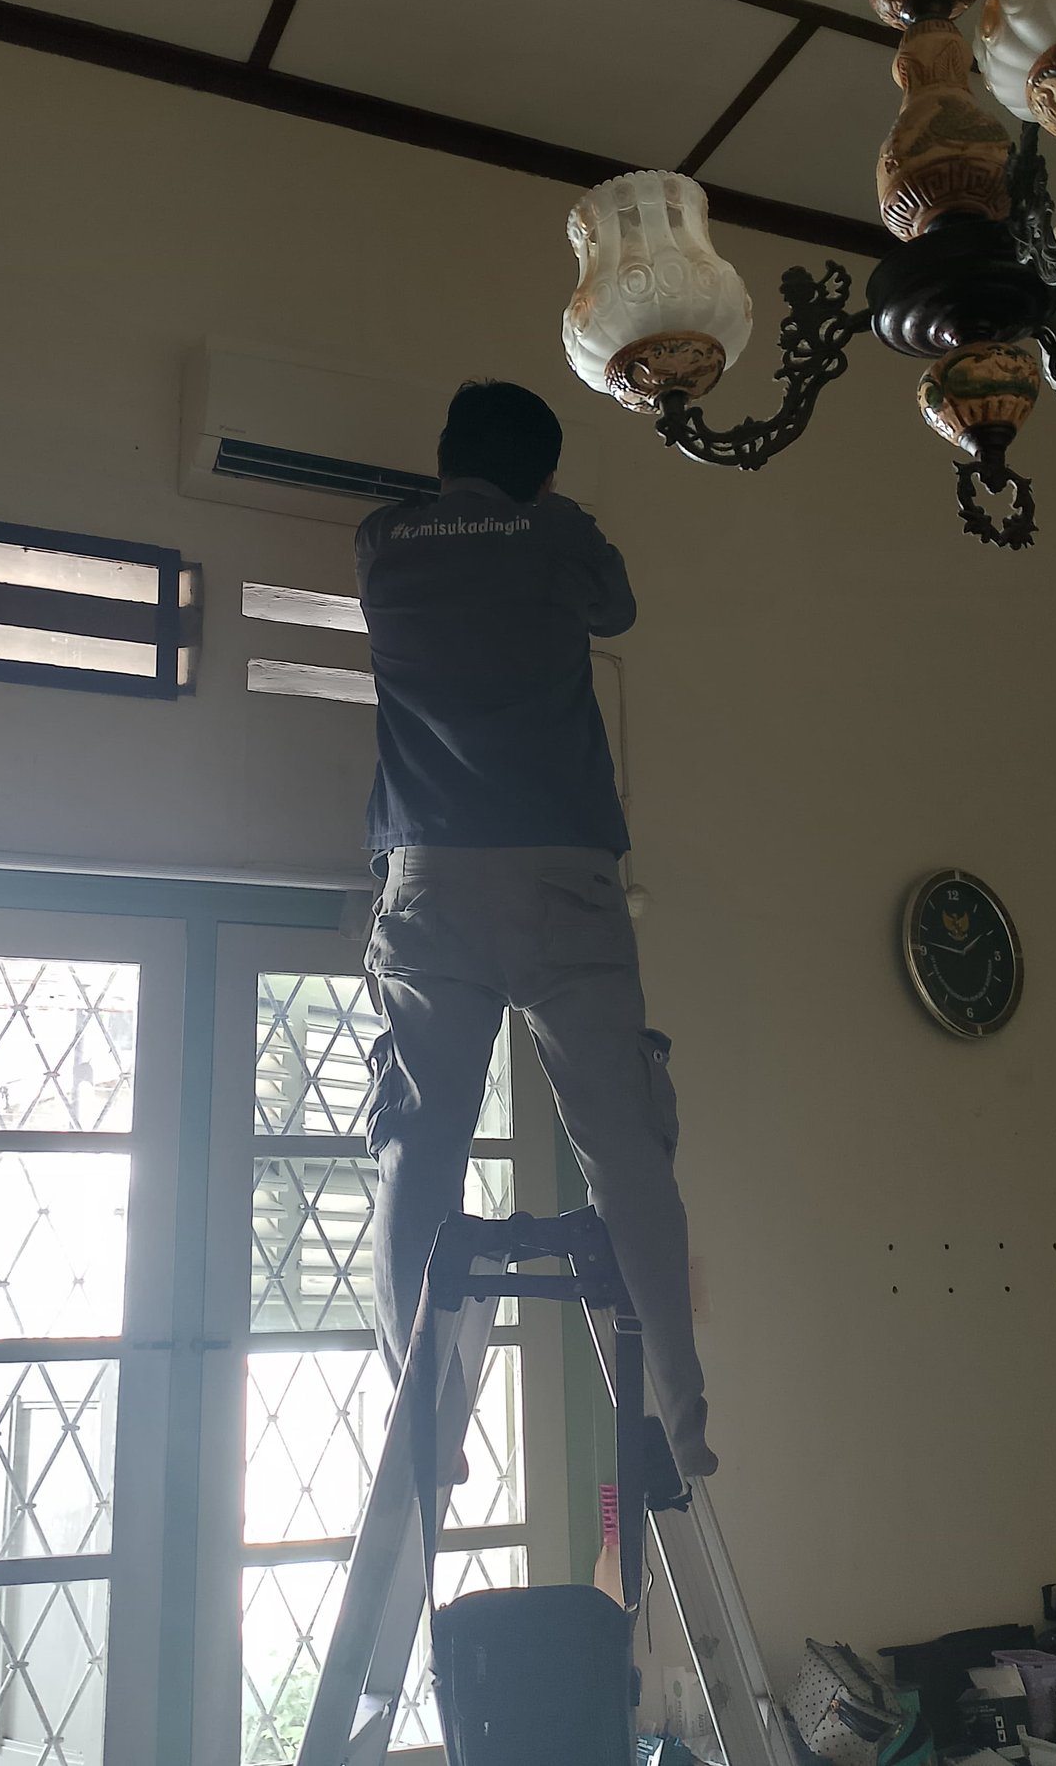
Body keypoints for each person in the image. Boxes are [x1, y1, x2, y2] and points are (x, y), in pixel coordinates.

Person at [356, 377, 716, 1481]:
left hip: (431, 872)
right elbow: (617, 607)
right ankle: (679, 1423)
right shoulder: (556, 534)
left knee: (419, 1143)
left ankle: (424, 1423)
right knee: (623, 1148)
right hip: (564, 870)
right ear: (543, 470)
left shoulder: (384, 541)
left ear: (446, 456)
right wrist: (552, 513)